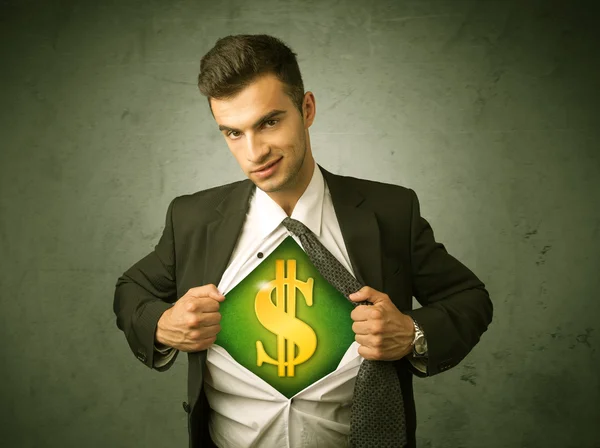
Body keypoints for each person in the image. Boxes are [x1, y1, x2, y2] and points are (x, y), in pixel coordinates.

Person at [113, 34, 493, 448]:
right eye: (233, 133)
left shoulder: (391, 211)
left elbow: (470, 299)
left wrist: (412, 331)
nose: (254, 152)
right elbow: (130, 291)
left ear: (306, 109)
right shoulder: (192, 218)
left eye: (269, 122)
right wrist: (164, 325)